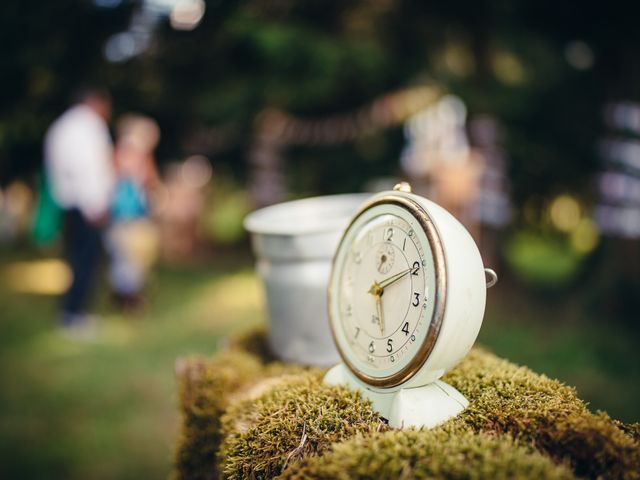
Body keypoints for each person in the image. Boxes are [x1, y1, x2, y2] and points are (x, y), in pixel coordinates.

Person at [44, 88, 115, 330]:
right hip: (86, 205)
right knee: (86, 259)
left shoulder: (63, 126)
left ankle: (74, 311)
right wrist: (95, 205)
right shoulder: (87, 127)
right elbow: (88, 168)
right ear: (96, 103)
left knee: (77, 258)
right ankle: (75, 314)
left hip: (70, 203)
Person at [105, 114, 161, 310]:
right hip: (127, 215)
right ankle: (127, 297)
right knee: (129, 257)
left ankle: (125, 295)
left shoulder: (124, 153)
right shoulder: (130, 154)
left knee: (129, 257)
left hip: (127, 215)